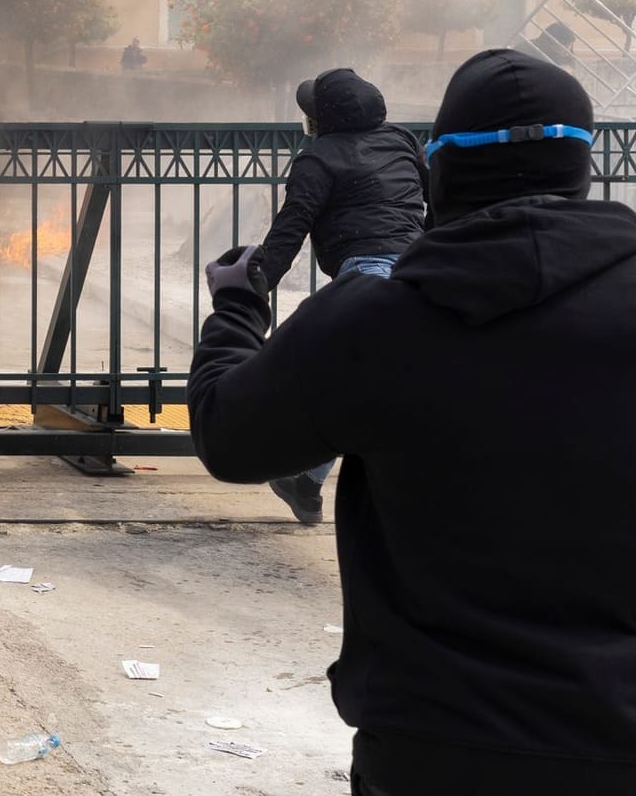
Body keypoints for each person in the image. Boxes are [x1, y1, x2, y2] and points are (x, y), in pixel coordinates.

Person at [188, 49, 636, 796]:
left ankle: (310, 471)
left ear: (444, 170)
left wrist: (237, 309)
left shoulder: (372, 323)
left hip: (432, 744)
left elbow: (229, 437)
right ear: (580, 163)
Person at [251, 68, 426, 524]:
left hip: (366, 277)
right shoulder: (401, 139)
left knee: (341, 382)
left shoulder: (318, 157)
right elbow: (437, 198)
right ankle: (307, 483)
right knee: (375, 385)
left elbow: (292, 225)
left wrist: (252, 289)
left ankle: (310, 482)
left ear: (321, 117)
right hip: (418, 271)